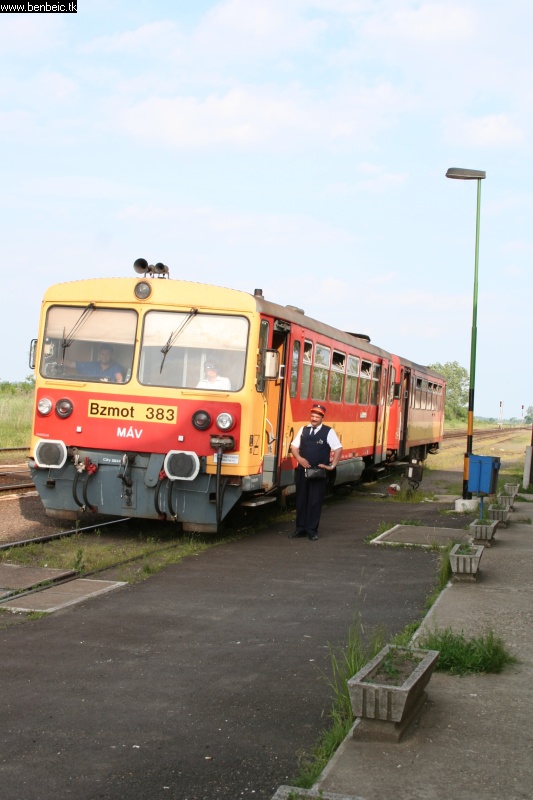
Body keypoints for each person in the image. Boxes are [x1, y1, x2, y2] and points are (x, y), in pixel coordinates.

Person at [289, 403, 342, 541]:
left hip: (318, 472)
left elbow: (338, 448)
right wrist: (299, 458)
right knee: (301, 500)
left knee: (315, 501)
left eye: (317, 416)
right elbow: (294, 447)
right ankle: (300, 529)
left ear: (322, 418)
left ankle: (312, 530)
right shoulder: (303, 430)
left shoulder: (328, 432)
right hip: (303, 471)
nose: (314, 418)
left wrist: (332, 465)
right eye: (312, 416)